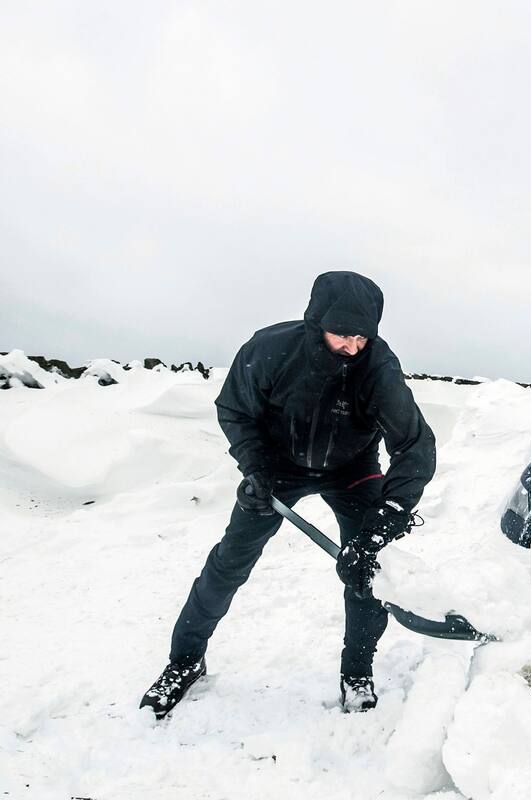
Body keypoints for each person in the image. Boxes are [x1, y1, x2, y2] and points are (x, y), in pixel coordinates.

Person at [140, 271, 436, 718]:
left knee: (366, 572)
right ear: (316, 322)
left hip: (351, 470)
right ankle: (185, 661)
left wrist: (387, 519)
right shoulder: (270, 349)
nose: (352, 347)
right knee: (229, 562)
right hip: (276, 467)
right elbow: (235, 410)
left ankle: (356, 672)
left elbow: (414, 444)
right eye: (342, 335)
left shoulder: (378, 368)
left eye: (362, 337)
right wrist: (255, 467)